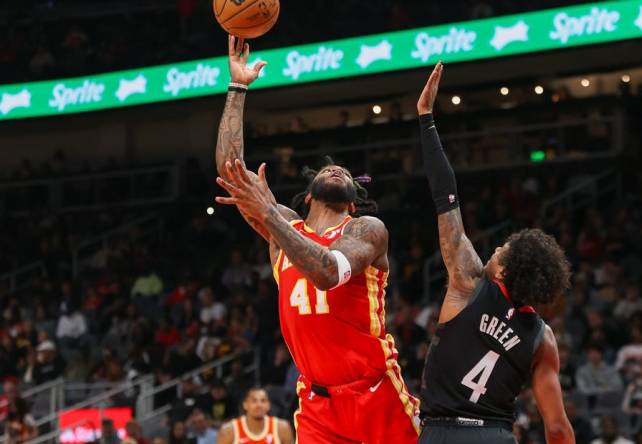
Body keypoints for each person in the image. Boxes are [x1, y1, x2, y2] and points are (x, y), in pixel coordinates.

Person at [213, 35, 419, 443]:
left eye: (345, 172)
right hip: (317, 404)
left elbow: (327, 272)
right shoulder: (284, 230)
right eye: (328, 169)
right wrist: (237, 88)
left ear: (353, 205)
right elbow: (231, 169)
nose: (337, 169)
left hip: (376, 392)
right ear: (308, 194)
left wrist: (268, 213)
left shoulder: (365, 230)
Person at [414, 62, 574, 444]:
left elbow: (446, 199)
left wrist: (426, 121)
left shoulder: (469, 282)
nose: (498, 248)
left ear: (504, 272)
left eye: (504, 250)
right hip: (495, 436)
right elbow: (556, 427)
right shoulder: (542, 338)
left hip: (439, 433)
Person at [217, 387, 293, 444]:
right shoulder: (228, 431)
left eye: (263, 401)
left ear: (268, 405)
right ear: (245, 405)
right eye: (254, 401)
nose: (259, 405)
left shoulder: (283, 428)